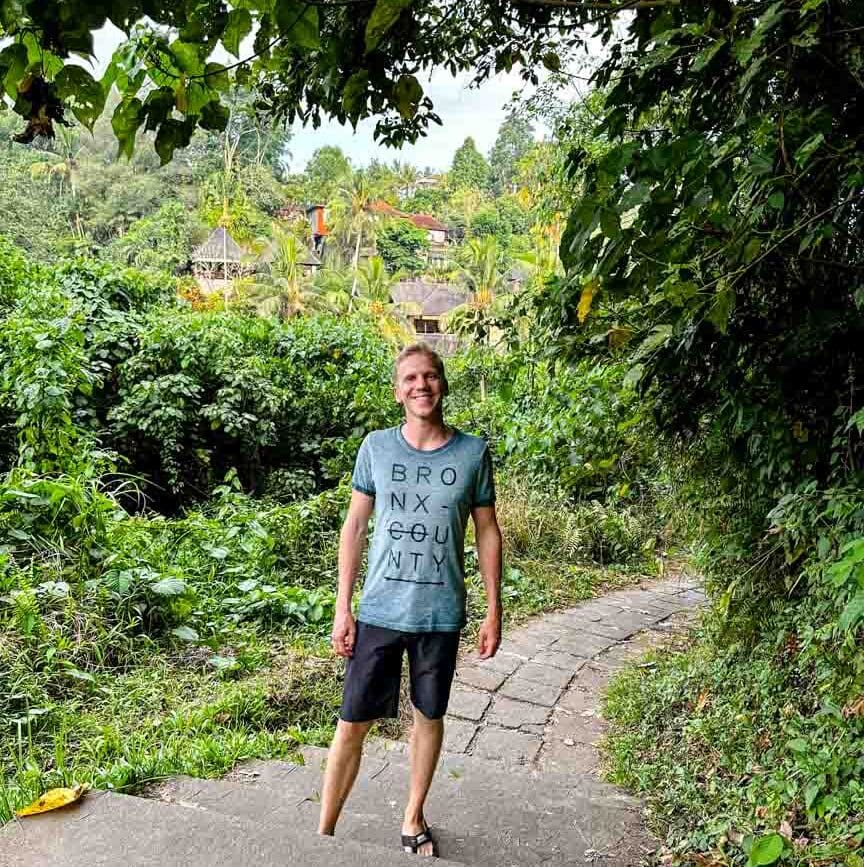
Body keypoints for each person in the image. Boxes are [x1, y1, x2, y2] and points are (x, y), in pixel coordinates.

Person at [317, 342, 503, 858]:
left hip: (439, 614)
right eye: (411, 379)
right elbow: (354, 526)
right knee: (351, 721)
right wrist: (343, 605)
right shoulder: (376, 447)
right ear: (398, 391)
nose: (421, 386)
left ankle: (413, 816)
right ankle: (322, 833)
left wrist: (493, 609)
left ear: (443, 384)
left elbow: (488, 532)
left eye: (430, 376)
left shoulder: (472, 454)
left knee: (428, 715)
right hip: (379, 609)